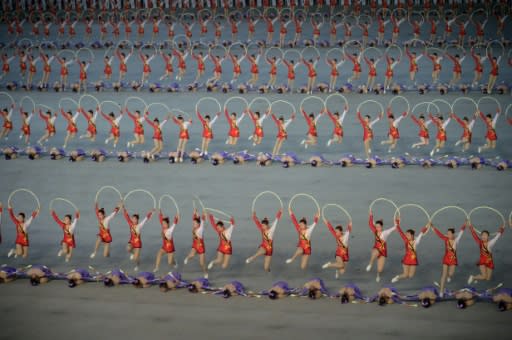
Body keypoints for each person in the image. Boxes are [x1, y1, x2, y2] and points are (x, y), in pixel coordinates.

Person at [431, 221, 466, 297]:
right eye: (447, 233)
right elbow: (439, 234)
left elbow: (461, 232)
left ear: (453, 234)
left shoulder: (456, 240)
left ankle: (449, 277)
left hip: (453, 260)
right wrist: (433, 227)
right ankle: (441, 291)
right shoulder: (446, 239)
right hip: (446, 259)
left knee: (450, 274)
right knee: (444, 274)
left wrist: (465, 224)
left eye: (450, 233)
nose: (448, 234)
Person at [366, 210, 397, 283]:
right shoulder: (375, 231)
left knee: (380, 269)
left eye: (378, 227)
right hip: (376, 248)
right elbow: (370, 224)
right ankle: (370, 264)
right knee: (374, 253)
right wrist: (371, 215)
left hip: (383, 251)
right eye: (376, 227)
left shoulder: (385, 232)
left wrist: (397, 220)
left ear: (382, 227)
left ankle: (378, 275)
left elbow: (395, 228)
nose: (377, 228)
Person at [122, 202, 154, 271]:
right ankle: (133, 253)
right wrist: (123, 208)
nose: (133, 220)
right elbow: (126, 216)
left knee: (135, 259)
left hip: (138, 244)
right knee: (128, 248)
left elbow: (146, 219)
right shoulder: (130, 224)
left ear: (137, 220)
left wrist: (151, 212)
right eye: (132, 219)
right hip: (131, 241)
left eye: (135, 219)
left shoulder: (139, 225)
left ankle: (137, 265)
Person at [183, 209, 208, 278]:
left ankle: (205, 272)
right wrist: (194, 213)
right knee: (191, 255)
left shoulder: (201, 229)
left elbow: (202, 220)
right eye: (193, 223)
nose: (193, 224)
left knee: (202, 263)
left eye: (195, 223)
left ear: (198, 224)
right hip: (195, 245)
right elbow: (195, 219)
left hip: (201, 247)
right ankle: (187, 258)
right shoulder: (195, 227)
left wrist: (204, 214)